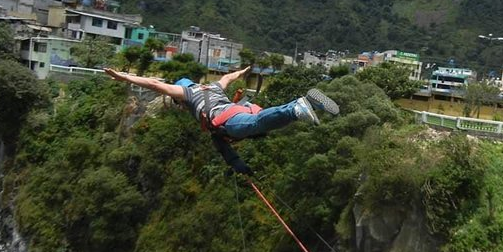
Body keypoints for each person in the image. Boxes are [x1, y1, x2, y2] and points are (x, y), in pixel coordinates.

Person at [104, 67, 339, 173]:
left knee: (255, 126)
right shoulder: (213, 86)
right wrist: (237, 164)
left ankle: (295, 108)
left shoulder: (188, 93)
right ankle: (307, 103)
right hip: (240, 111)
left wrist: (122, 76)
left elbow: (155, 84)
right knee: (257, 123)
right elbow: (228, 77)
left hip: (228, 118)